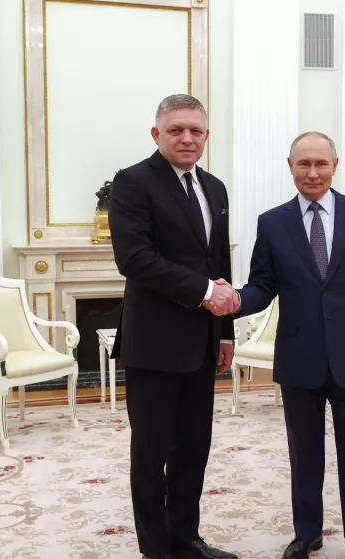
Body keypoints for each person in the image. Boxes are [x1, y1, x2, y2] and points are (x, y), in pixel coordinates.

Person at [208, 131, 345, 559]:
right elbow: (263, 285)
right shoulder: (272, 222)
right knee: (304, 455)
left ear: (335, 165)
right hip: (299, 357)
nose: (312, 172)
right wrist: (237, 299)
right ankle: (307, 532)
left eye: (321, 164)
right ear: (290, 166)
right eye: (303, 164)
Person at [108, 94, 239, 559]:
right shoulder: (132, 183)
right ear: (156, 134)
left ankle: (186, 539)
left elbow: (219, 262)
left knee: (193, 450)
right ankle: (156, 548)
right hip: (153, 344)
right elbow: (135, 259)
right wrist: (206, 291)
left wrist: (225, 333)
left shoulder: (215, 187)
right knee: (151, 453)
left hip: (202, 344)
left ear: (206, 135)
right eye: (176, 130)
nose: (187, 138)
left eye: (196, 131)